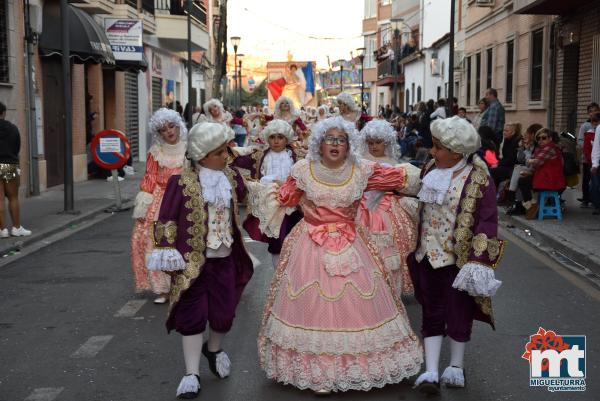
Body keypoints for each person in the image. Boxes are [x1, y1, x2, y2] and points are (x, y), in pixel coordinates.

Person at [256, 116, 423, 394]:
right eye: (329, 139)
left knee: (358, 305)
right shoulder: (303, 170)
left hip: (352, 243)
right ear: (319, 144)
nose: (335, 144)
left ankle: (356, 367)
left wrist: (438, 173)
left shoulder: (360, 170)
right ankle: (318, 371)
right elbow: (284, 197)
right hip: (310, 244)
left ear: (349, 145)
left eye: (341, 139)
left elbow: (400, 177)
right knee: (314, 305)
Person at [146, 122, 254, 399]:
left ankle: (214, 348)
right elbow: (166, 218)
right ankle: (191, 372)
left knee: (225, 314)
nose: (225, 156)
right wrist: (166, 250)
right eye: (220, 152)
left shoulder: (229, 177)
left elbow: (245, 193)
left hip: (225, 258)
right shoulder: (180, 182)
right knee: (191, 317)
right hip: (192, 262)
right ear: (203, 154)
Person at [409, 116, 503, 394]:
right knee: (431, 310)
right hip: (427, 256)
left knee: (459, 312)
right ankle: (430, 371)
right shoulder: (429, 169)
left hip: (458, 260)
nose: (432, 152)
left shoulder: (479, 179)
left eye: (438, 147)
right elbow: (421, 204)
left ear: (456, 152)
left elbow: (487, 222)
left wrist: (478, 262)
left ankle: (457, 366)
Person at [356, 119, 419, 297]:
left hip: (388, 207)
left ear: (387, 142)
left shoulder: (392, 161)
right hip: (364, 207)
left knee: (393, 247)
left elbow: (400, 184)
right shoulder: (360, 161)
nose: (374, 147)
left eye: (378, 142)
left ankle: (388, 287)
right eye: (370, 143)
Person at [131, 108, 187, 304]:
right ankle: (162, 289)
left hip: (184, 199)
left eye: (171, 126)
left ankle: (182, 285)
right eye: (163, 129)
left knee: (183, 241)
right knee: (156, 242)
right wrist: (143, 204)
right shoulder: (156, 152)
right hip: (160, 201)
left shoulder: (190, 150)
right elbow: (150, 177)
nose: (169, 132)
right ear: (159, 133)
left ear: (178, 126)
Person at [233, 119, 303, 267]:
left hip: (293, 206)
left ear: (287, 138)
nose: (276, 141)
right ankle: (277, 276)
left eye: (280, 137)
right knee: (276, 243)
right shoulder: (259, 155)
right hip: (271, 206)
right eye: (272, 137)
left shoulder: (296, 155)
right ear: (267, 138)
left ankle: (293, 275)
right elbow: (235, 158)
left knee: (295, 241)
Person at [517, 128, 566, 219]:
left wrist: (529, 159)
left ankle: (531, 205)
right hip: (546, 179)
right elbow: (535, 165)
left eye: (544, 138)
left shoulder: (549, 148)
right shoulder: (541, 149)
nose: (540, 140)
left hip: (551, 181)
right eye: (538, 138)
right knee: (522, 179)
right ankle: (531, 204)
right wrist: (530, 171)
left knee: (522, 181)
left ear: (550, 138)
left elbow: (536, 162)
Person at [0, 102, 31, 238]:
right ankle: (16, 228)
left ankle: (2, 230)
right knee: (13, 197)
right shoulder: (13, 128)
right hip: (9, 164)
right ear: (3, 113)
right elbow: (17, 146)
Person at [505, 123, 542, 215]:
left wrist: (527, 150)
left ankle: (512, 198)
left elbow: (530, 163)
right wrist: (522, 148)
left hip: (538, 173)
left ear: (533, 134)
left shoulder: (538, 147)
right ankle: (517, 204)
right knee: (518, 172)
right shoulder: (531, 145)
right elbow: (521, 160)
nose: (526, 135)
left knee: (519, 172)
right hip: (532, 170)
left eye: (528, 133)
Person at [578, 104, 600, 207]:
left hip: (597, 157)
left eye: (595, 110)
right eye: (591, 111)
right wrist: (587, 145)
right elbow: (580, 140)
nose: (593, 113)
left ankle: (594, 199)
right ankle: (585, 199)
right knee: (586, 179)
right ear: (588, 113)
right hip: (587, 158)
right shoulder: (585, 126)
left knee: (596, 180)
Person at [490, 122, 522, 188]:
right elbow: (505, 157)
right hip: (507, 165)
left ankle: (493, 193)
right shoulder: (507, 140)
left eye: (507, 131)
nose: (504, 132)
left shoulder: (517, 141)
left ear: (513, 132)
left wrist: (498, 164)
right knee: (491, 168)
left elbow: (512, 159)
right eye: (504, 130)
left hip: (514, 167)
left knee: (492, 171)